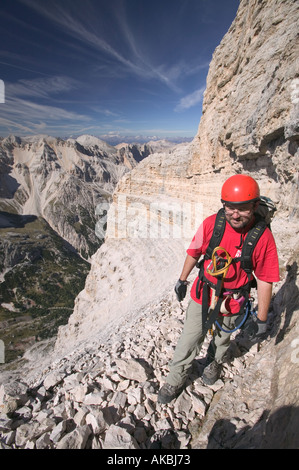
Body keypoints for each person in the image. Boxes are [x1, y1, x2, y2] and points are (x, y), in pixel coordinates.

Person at [158, 174, 280, 405]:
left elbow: (265, 279)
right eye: (230, 207)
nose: (235, 214)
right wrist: (182, 280)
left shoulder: (263, 237)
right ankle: (175, 378)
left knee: (223, 339)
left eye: (242, 208)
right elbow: (194, 252)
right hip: (203, 294)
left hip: (234, 302)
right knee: (189, 339)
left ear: (255, 206)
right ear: (223, 204)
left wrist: (261, 319)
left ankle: (214, 362)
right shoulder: (212, 224)